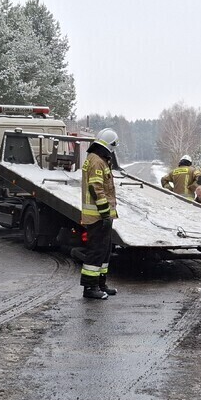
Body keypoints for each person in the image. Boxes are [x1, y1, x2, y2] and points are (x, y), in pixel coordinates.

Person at [80, 128, 120, 299]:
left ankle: (100, 284)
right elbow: (96, 189)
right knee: (96, 251)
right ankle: (90, 288)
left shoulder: (98, 159)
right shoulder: (97, 162)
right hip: (97, 216)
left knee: (104, 251)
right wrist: (104, 214)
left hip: (102, 216)